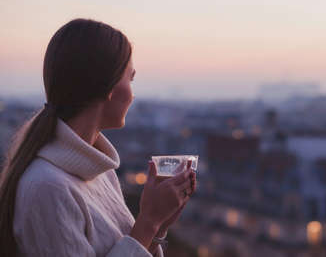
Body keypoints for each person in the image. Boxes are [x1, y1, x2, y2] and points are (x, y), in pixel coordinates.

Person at [0, 19, 196, 257]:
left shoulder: (100, 171)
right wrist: (148, 221)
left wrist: (159, 226)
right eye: (130, 79)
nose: (133, 96)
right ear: (108, 87)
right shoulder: (48, 188)